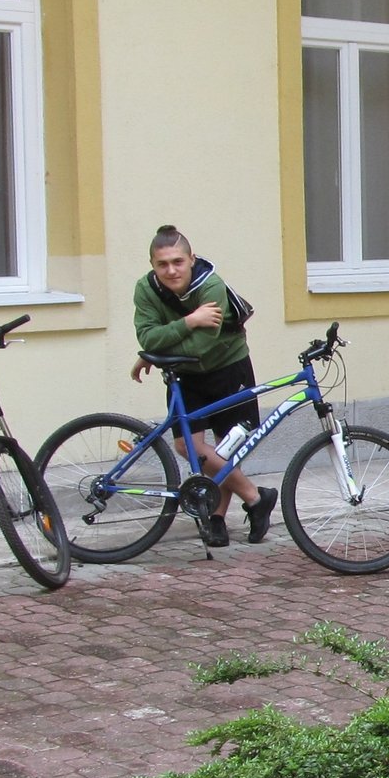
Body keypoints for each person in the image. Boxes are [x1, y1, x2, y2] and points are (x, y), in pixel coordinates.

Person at [132, 226, 273, 549]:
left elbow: (201, 346)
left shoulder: (211, 285)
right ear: (152, 265)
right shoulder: (145, 289)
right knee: (187, 446)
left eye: (178, 262)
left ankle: (217, 518)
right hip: (184, 375)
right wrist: (190, 321)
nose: (171, 270)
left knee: (227, 449)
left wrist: (159, 347)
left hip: (228, 367)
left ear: (191, 259)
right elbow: (147, 337)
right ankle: (256, 497)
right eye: (162, 264)